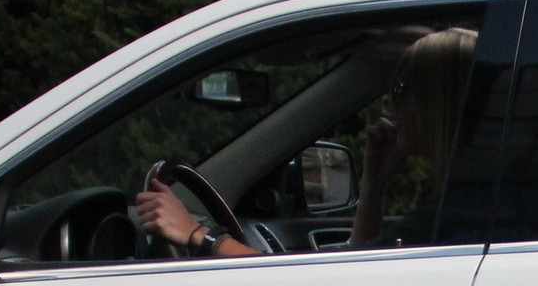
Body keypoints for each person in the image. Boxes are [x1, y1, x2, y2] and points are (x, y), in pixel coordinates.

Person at [134, 26, 478, 257]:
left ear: (435, 103)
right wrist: (374, 180)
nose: (392, 104)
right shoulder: (467, 203)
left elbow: (328, 284)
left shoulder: (454, 215)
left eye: (403, 91)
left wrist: (198, 234)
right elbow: (359, 263)